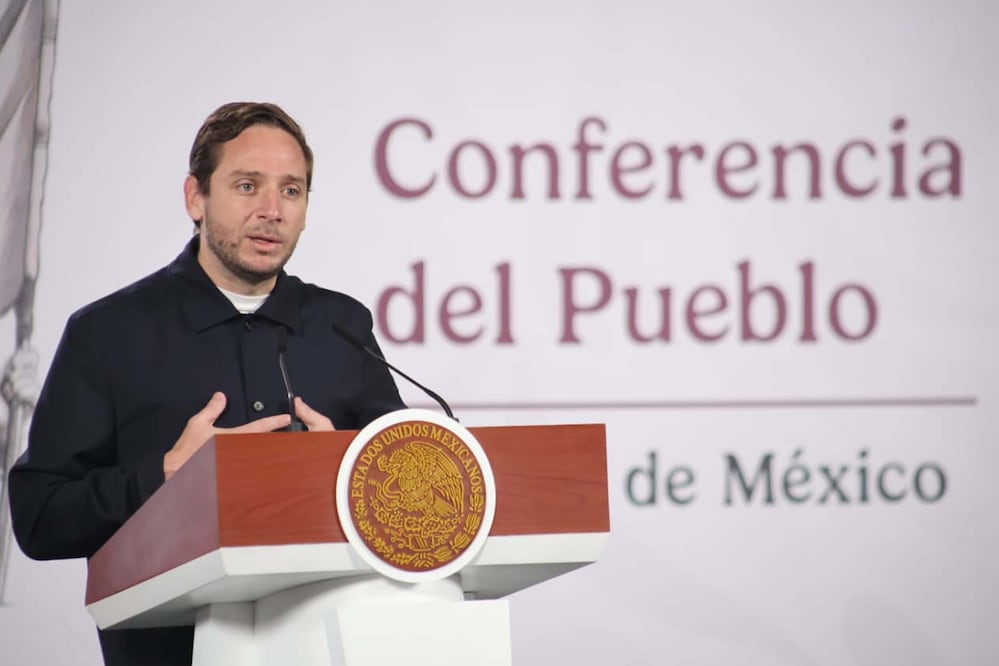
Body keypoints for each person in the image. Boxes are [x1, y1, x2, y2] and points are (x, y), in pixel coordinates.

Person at [7, 102, 406, 665]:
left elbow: (410, 488)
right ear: (196, 197)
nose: (272, 210)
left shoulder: (342, 326)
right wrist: (167, 476)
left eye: (291, 191)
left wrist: (347, 466)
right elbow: (39, 517)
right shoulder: (108, 333)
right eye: (248, 186)